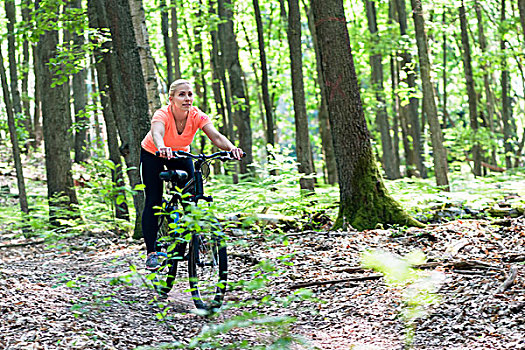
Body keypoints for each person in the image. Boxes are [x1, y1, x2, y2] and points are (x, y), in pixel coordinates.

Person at [140, 79, 243, 270]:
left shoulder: (197, 115)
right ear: (171, 99)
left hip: (180, 154)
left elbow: (216, 136)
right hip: (153, 153)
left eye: (190, 94)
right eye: (182, 94)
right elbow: (157, 134)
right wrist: (162, 147)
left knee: (192, 196)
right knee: (153, 199)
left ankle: (193, 237)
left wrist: (232, 149)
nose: (187, 98)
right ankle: (152, 252)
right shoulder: (162, 114)